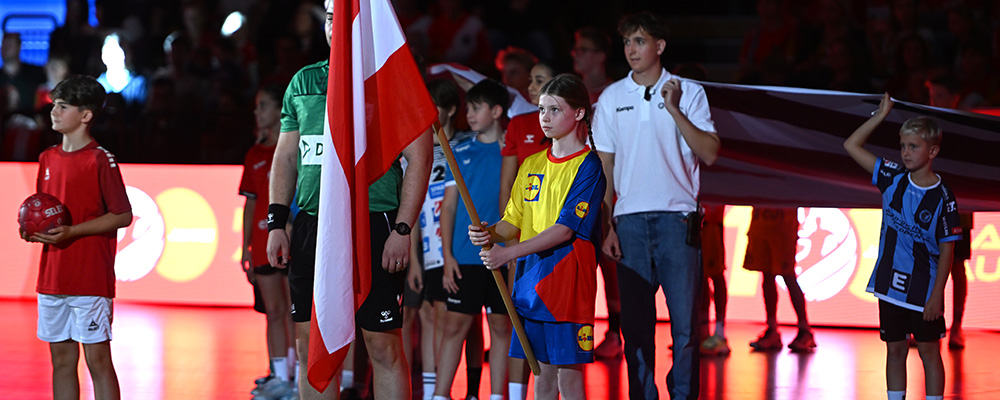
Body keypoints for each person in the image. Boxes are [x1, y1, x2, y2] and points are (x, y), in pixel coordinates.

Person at [266, 3, 432, 398]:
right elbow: (286, 156)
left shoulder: (388, 82)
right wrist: (276, 223)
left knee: (382, 344)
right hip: (312, 226)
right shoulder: (303, 82)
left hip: (374, 224)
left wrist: (403, 229)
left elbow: (420, 155)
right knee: (311, 342)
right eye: (328, 17)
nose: (334, 24)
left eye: (341, 14)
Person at [593, 11, 720, 400]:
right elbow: (604, 168)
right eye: (628, 42)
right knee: (635, 326)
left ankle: (683, 395)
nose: (631, 49)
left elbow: (710, 153)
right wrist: (607, 224)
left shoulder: (689, 91)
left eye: (640, 41)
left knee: (685, 326)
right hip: (628, 223)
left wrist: (675, 108)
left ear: (660, 46)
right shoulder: (612, 97)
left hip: (677, 220)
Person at [469, 73, 606, 400]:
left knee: (569, 378)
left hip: (566, 284)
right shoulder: (531, 163)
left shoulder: (588, 166)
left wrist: (507, 254)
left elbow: (564, 229)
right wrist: (489, 232)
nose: (544, 117)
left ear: (579, 114)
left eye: (554, 110)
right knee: (540, 373)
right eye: (542, 109)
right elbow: (512, 223)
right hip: (531, 284)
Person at [20, 75, 132, 400]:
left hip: (89, 278)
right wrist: (31, 229)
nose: (53, 111)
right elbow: (44, 207)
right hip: (53, 277)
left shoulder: (99, 159)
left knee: (98, 360)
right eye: (54, 104)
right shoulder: (46, 158)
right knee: (62, 360)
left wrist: (73, 232)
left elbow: (122, 214)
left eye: (63, 106)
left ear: (86, 115)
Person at [843, 93, 962, 400]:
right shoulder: (893, 177)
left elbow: (948, 250)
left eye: (913, 146)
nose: (906, 153)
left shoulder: (944, 197)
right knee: (895, 350)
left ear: (933, 150)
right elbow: (851, 146)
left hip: (923, 290)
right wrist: (881, 115)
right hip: (889, 284)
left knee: (928, 353)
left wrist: (937, 295)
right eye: (902, 146)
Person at [433, 78, 511, 400]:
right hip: (466, 255)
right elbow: (448, 208)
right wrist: (447, 255)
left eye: (477, 107)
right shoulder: (459, 150)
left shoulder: (512, 150)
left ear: (496, 111)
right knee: (454, 328)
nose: (470, 113)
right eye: (468, 107)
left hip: (504, 253)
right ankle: (440, 394)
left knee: (501, 328)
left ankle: (497, 395)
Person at [403, 78, 475, 400]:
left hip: (457, 247)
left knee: (460, 322)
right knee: (429, 315)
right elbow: (412, 208)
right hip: (427, 248)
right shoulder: (412, 152)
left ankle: (468, 390)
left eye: (430, 105)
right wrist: (414, 260)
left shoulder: (464, 145)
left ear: (449, 110)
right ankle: (433, 390)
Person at [240, 85, 296, 399]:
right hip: (262, 243)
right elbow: (250, 205)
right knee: (273, 311)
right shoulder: (254, 154)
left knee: (295, 310)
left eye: (263, 106)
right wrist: (245, 246)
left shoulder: (293, 149)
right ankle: (280, 376)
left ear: (278, 111)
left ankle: (301, 378)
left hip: (289, 241)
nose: (257, 112)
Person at [743, 206, 816, 352]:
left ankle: (804, 329)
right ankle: (772, 329)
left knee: (787, 274)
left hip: (783, 222)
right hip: (761, 220)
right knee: (766, 274)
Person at [698, 203, 730, 356]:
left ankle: (720, 333)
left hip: (711, 219)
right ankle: (702, 331)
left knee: (716, 273)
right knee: (700, 274)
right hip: (695, 220)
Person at [571, 27, 613, 104]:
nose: (574, 54)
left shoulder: (614, 92)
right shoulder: (571, 92)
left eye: (582, 50)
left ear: (600, 56)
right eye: (575, 50)